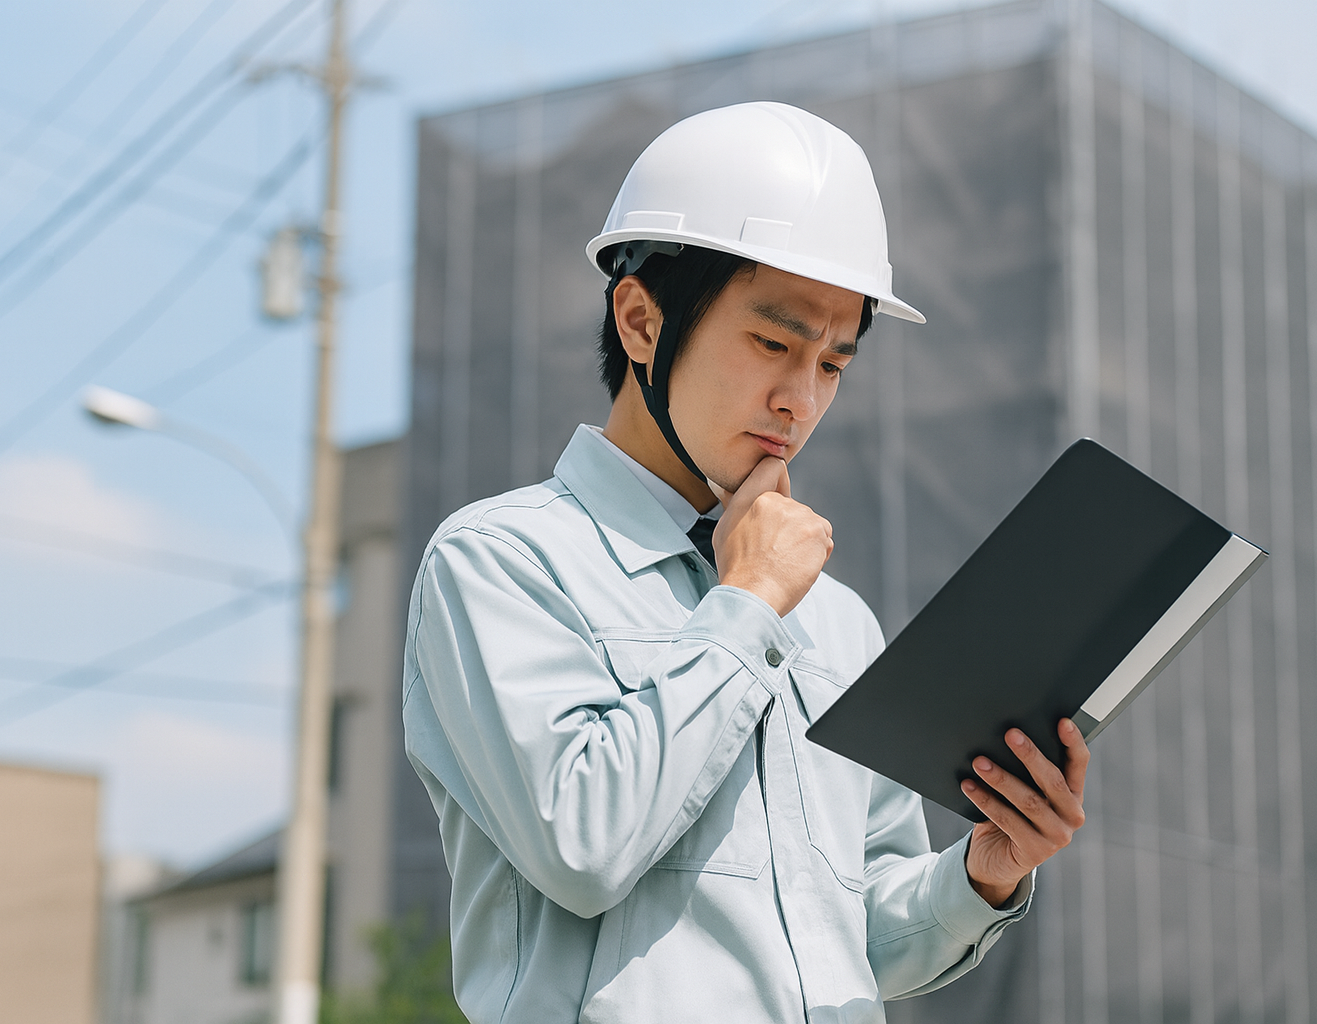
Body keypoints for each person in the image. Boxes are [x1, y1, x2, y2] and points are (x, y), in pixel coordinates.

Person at [402, 101, 1089, 1024]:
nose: (799, 401)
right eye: (773, 343)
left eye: (834, 365)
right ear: (641, 321)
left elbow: (859, 939)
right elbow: (582, 844)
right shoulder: (502, 563)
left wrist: (982, 874)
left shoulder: (834, 620)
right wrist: (750, 599)